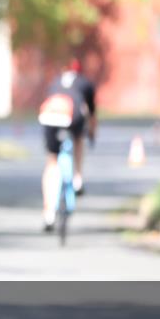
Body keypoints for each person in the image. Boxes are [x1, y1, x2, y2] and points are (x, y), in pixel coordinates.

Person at [38, 58, 97, 231]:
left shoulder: (55, 81)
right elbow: (91, 115)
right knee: (79, 140)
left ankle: (48, 213)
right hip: (72, 112)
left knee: (52, 161)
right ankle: (78, 178)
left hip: (50, 112)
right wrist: (91, 134)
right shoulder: (85, 83)